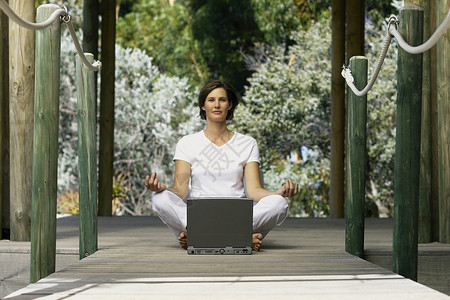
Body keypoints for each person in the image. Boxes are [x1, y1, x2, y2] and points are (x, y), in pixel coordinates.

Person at [145, 79, 298, 251]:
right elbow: (180, 191)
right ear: (203, 105)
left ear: (230, 105)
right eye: (211, 100)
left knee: (279, 203)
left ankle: (202, 238)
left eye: (222, 100)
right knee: (160, 198)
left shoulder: (248, 143)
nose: (217, 105)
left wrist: (278, 193)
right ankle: (237, 238)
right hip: (198, 217)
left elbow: (254, 191)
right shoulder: (186, 143)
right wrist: (163, 187)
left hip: (237, 217)